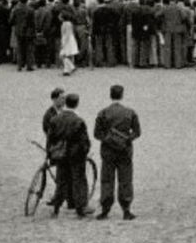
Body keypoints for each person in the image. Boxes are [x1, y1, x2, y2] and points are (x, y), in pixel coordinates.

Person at [93, 85, 141, 220]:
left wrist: (109, 140)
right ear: (122, 95)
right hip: (125, 150)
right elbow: (137, 132)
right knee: (125, 179)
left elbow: (97, 134)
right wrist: (126, 139)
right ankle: (126, 209)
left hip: (108, 151)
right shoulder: (130, 112)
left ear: (110, 95)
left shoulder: (103, 113)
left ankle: (105, 209)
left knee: (107, 180)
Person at [49, 93, 93, 217]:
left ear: (65, 103)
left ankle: (56, 208)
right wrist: (86, 152)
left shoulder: (55, 119)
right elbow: (84, 141)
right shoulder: (78, 121)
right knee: (79, 180)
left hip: (60, 154)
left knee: (61, 181)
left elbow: (50, 139)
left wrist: (51, 154)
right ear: (77, 104)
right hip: (76, 155)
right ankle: (81, 207)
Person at [59, 12, 80, 76]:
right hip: (71, 39)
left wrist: (63, 42)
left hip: (67, 40)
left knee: (63, 55)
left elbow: (66, 34)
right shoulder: (69, 23)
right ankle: (67, 69)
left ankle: (70, 67)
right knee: (68, 55)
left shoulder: (65, 24)